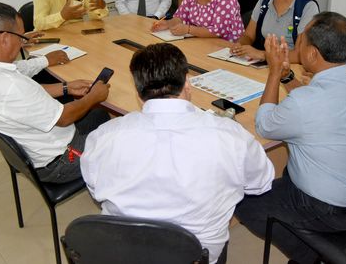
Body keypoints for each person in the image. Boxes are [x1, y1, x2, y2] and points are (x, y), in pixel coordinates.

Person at [80, 43, 274, 263]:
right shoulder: (231, 136)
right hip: (195, 256)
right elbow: (260, 183)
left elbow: (95, 189)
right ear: (187, 83)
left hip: (122, 252)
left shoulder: (103, 136)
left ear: (138, 92)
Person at [235, 12, 346, 264]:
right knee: (291, 165)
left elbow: (264, 125)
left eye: (302, 39)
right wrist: (287, 77)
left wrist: (274, 72)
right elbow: (315, 104)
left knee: (241, 200)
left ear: (313, 54)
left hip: (332, 210)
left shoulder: (304, 103)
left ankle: (309, 254)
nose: (298, 42)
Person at [0, 2, 111, 183]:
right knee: (126, 139)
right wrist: (93, 97)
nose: (23, 42)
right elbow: (64, 118)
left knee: (99, 115)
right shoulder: (9, 85)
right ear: (4, 38)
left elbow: (26, 98)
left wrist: (66, 87)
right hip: (61, 159)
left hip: (36, 149)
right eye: (21, 36)